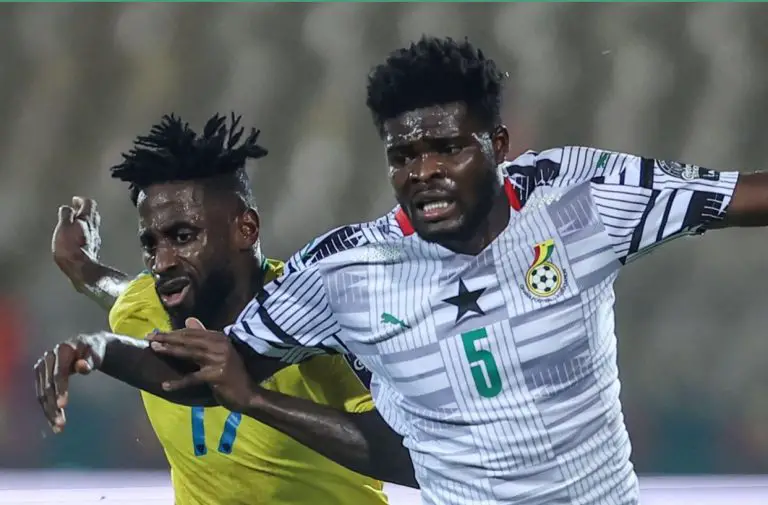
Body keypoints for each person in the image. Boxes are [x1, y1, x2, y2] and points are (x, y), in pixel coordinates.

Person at [36, 35, 768, 504]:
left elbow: (745, 197)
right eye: (403, 156)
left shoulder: (580, 196)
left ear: (497, 144)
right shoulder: (347, 272)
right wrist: (99, 351)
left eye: (445, 147)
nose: (423, 172)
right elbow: (211, 370)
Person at [42, 113, 415, 505]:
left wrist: (257, 400)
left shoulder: (319, 312)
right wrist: (81, 265)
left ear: (246, 229)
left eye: (182, 237)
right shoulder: (147, 307)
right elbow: (114, 289)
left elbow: (410, 455)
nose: (161, 262)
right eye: (150, 244)